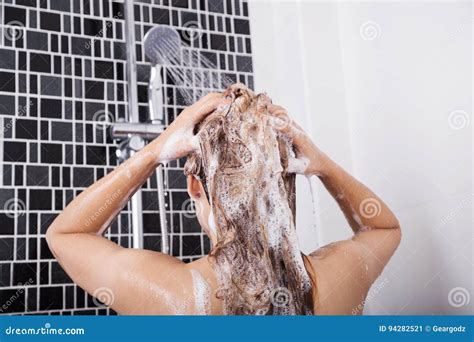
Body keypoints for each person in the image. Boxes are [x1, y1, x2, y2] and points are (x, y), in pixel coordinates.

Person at [46, 85, 401, 315]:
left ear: (194, 187)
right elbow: (383, 227)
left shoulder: (178, 299)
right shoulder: (338, 278)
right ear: (287, 178)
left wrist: (156, 150)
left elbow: (66, 235)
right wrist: (321, 163)